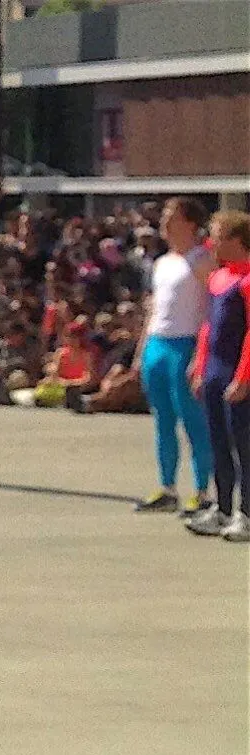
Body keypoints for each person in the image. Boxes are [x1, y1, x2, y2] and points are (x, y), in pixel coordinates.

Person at [137, 198, 215, 514]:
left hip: (186, 343)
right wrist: (142, 349)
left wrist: (201, 352)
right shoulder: (162, 262)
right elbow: (154, 308)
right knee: (162, 420)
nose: (165, 222)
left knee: (193, 419)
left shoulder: (201, 260)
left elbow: (213, 309)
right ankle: (167, 487)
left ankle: (202, 490)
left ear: (190, 224)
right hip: (159, 343)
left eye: (172, 217)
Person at [186, 210, 250, 540]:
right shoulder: (218, 278)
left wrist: (243, 377)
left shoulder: (247, 280)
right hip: (214, 371)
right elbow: (208, 326)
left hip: (239, 376)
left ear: (236, 240)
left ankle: (247, 514)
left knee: (245, 446)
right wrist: (199, 366)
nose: (210, 243)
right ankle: (223, 508)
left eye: (217, 236)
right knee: (218, 444)